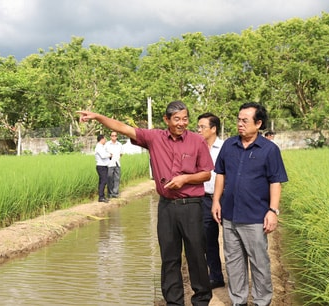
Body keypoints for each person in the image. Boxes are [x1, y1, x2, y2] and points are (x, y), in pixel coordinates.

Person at [78, 101, 213, 306]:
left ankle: (201, 301)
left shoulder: (197, 141)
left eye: (185, 119)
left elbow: (206, 173)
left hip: (191, 205)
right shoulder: (154, 138)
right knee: (169, 257)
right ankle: (174, 302)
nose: (182, 123)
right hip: (167, 206)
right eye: (177, 119)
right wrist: (98, 117)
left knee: (196, 255)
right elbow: (122, 127)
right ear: (166, 120)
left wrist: (185, 179)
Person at [211, 102, 288, 306]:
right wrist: (216, 201)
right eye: (238, 119)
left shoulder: (269, 149)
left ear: (258, 123)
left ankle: (262, 301)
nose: (240, 124)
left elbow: (275, 181)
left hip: (255, 217)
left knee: (259, 263)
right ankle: (239, 301)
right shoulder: (229, 145)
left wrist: (272, 210)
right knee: (234, 262)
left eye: (245, 120)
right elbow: (220, 174)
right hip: (229, 215)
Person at [196, 112, 225, 290]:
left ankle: (239, 279)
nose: (198, 130)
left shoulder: (226, 148)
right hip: (205, 200)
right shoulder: (197, 147)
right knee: (208, 240)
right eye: (197, 127)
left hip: (225, 198)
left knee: (232, 240)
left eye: (202, 127)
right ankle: (216, 276)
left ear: (213, 129)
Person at [105, 131, 123, 198]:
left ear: (117, 136)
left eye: (115, 135)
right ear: (110, 136)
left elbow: (121, 154)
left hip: (117, 163)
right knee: (109, 178)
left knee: (117, 178)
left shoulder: (120, 144)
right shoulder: (107, 144)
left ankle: (115, 193)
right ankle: (110, 193)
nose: (114, 137)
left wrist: (116, 158)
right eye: (112, 135)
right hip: (109, 164)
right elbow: (104, 153)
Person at [94, 134, 111, 203]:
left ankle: (102, 196)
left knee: (102, 182)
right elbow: (103, 155)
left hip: (104, 166)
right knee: (103, 182)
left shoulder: (102, 147)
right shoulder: (99, 147)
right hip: (101, 166)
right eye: (105, 139)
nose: (105, 140)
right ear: (102, 139)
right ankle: (101, 197)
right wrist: (110, 155)